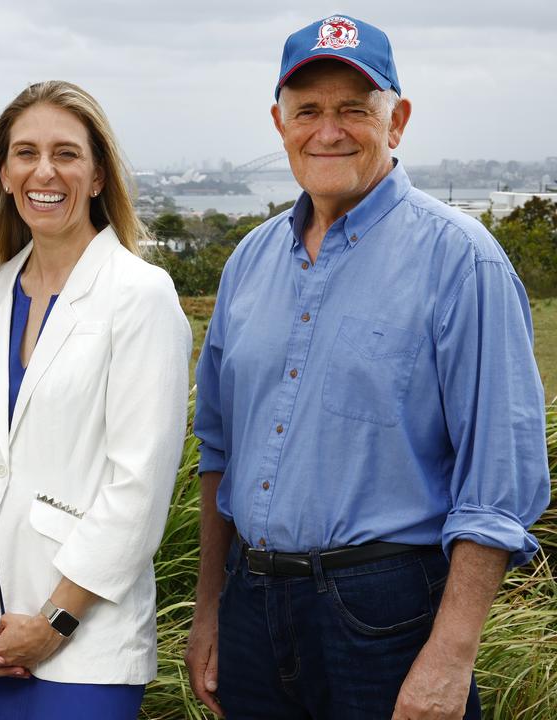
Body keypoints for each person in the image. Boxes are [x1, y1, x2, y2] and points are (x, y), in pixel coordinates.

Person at [186, 14, 550, 720]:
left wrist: (451, 658)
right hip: (252, 606)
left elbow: (499, 480)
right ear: (279, 122)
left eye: (355, 108)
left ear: (398, 120)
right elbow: (218, 451)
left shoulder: (460, 260)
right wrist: (210, 614)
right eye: (309, 110)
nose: (329, 130)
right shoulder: (249, 262)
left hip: (388, 618)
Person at [0, 80, 192, 719]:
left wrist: (55, 620)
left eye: (67, 154)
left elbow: (139, 488)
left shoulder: (140, 295)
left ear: (97, 176)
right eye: (26, 153)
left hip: (85, 646)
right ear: (6, 174)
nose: (45, 171)